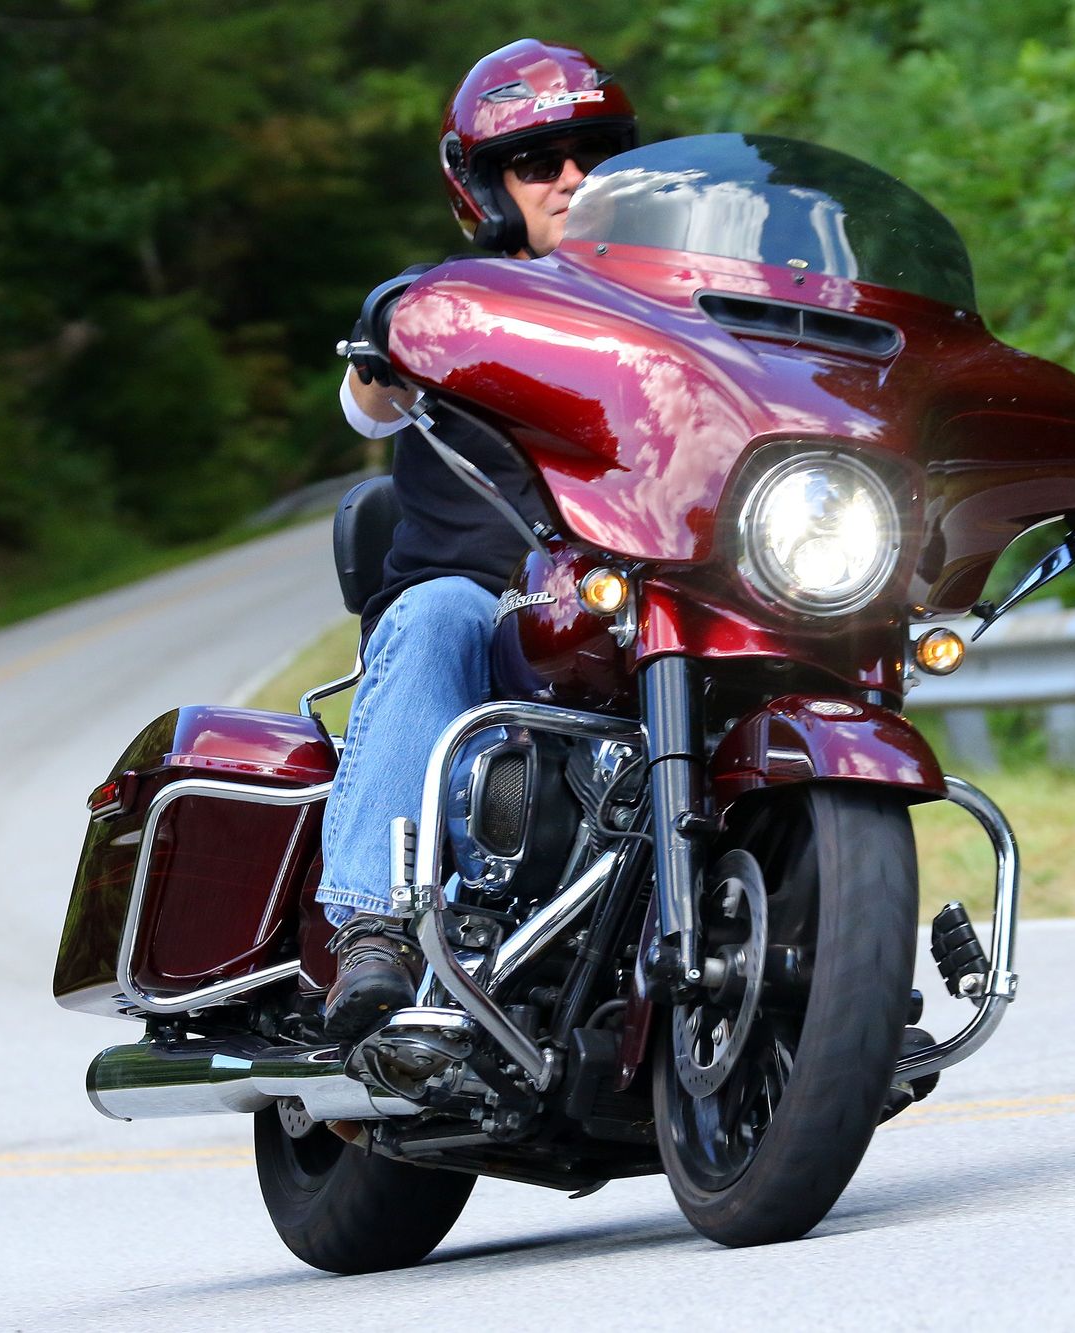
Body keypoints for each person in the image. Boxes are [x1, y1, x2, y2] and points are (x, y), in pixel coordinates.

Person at [317, 39, 637, 1039]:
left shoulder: (679, 306)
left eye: (593, 154)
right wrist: (391, 328)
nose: (572, 178)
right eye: (538, 162)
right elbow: (366, 401)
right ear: (488, 187)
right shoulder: (452, 303)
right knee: (441, 612)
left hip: (632, 594)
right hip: (486, 606)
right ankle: (374, 926)